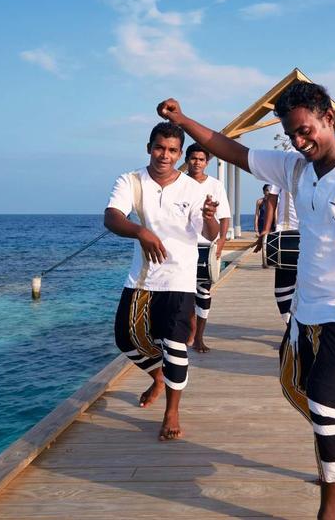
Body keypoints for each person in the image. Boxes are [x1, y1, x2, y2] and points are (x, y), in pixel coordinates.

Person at [157, 82, 335, 520]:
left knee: (325, 399)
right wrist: (182, 121)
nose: (299, 141)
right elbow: (230, 150)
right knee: (298, 389)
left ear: (328, 119)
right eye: (292, 134)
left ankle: (327, 508)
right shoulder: (295, 168)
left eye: (306, 130)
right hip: (306, 307)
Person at [104, 122, 219, 441]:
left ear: (179, 153)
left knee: (174, 346)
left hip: (179, 279)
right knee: (125, 340)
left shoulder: (194, 189)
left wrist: (209, 217)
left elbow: (210, 234)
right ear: (148, 147)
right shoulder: (131, 180)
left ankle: (172, 411)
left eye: (171, 150)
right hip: (142, 278)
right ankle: (157, 377)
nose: (164, 155)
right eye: (159, 148)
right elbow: (111, 216)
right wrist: (140, 231)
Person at [185, 142, 231, 353]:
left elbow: (225, 216)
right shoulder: (179, 183)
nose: (197, 163)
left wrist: (221, 241)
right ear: (187, 160)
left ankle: (199, 337)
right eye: (193, 158)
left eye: (201, 159)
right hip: (183, 245)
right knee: (184, 295)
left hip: (206, 246)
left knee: (203, 294)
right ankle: (189, 334)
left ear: (207, 162)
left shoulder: (215, 185)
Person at [257, 183, 299, 323]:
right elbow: (272, 197)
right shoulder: (282, 163)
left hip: (315, 232)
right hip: (287, 231)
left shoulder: (325, 163)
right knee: (283, 288)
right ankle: (291, 328)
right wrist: (266, 229)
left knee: (314, 287)